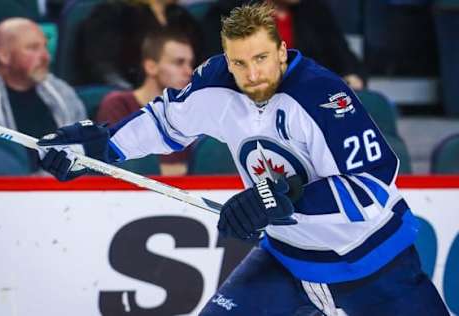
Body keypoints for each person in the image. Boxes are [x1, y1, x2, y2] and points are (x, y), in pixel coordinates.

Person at [37, 2, 448, 315]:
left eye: (261, 59)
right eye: (239, 62)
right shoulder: (215, 83)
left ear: (282, 51)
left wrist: (281, 197)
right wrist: (100, 148)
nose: (251, 74)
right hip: (287, 260)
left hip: (372, 262)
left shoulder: (324, 97)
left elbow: (371, 185)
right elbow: (165, 122)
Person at [0, 18, 86, 169]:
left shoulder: (62, 92)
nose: (46, 57)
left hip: (63, 188)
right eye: (33, 48)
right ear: (4, 55)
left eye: (45, 47)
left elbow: (84, 148)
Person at [201, 0, 365, 90]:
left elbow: (346, 60)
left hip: (312, 103)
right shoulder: (225, 15)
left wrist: (351, 76)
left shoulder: (315, 11)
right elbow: (219, 73)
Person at [96, 30, 194, 176]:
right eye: (179, 63)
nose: (189, 71)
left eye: (190, 63)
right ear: (151, 67)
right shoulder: (117, 105)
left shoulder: (189, 112)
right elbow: (123, 170)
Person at [74, 0, 202, 89]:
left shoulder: (182, 17)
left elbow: (202, 62)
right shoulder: (113, 13)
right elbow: (102, 66)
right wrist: (130, 95)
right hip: (134, 93)